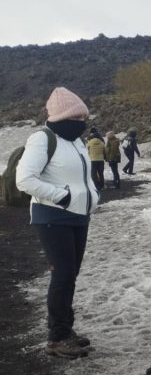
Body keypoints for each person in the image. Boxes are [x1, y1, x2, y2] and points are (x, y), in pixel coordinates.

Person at [15, 87, 100, 359]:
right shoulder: (42, 139)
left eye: (83, 116)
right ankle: (57, 337)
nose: (81, 121)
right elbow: (24, 179)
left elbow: (82, 177)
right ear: (61, 116)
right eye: (76, 116)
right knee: (62, 276)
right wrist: (62, 197)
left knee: (69, 275)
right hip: (53, 217)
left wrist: (93, 196)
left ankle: (65, 328)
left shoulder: (75, 141)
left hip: (78, 216)